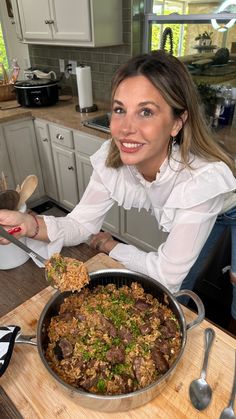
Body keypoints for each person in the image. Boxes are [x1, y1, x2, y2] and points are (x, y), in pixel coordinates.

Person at [0, 50, 236, 330]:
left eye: (146, 112)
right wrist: (30, 224)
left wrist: (112, 246)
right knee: (180, 283)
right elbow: (80, 224)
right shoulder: (112, 158)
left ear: (177, 122)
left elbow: (165, 275)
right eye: (120, 109)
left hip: (228, 207)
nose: (125, 129)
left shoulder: (200, 181)